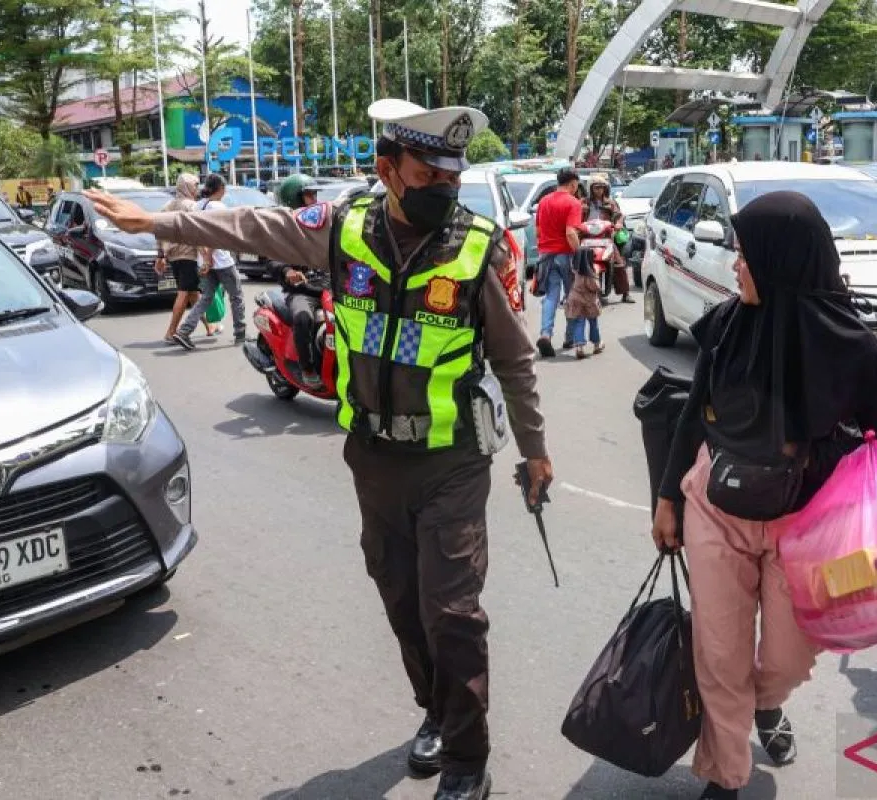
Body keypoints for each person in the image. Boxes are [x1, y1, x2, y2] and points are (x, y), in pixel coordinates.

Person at [84, 98, 552, 800]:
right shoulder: (343, 227)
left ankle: (466, 759)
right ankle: (435, 710)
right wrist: (156, 221)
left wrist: (535, 451)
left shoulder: (477, 246)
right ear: (387, 171)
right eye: (429, 175)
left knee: (452, 612)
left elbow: (515, 359)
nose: (444, 189)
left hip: (451, 459)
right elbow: (250, 226)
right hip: (373, 458)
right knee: (400, 598)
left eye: (452, 177)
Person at [652, 192, 877, 799]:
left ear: (782, 262)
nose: (737, 265)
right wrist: (667, 499)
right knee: (720, 654)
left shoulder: (854, 347)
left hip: (809, 526)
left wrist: (873, 492)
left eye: (747, 255)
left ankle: (764, 703)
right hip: (717, 506)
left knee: (788, 659)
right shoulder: (725, 326)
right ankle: (725, 773)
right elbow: (692, 415)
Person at [166, 174, 248, 350]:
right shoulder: (218, 206)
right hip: (222, 262)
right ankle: (240, 334)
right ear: (221, 189)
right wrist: (209, 257)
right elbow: (216, 235)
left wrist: (204, 257)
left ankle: (184, 331)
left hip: (202, 261)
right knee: (236, 296)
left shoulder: (197, 206)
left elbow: (194, 236)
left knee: (206, 298)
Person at [270, 173, 328, 389]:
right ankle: (308, 368)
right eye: (309, 195)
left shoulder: (324, 224)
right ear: (295, 198)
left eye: (315, 195)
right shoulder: (284, 229)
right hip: (302, 290)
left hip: (329, 287)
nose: (314, 200)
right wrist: (287, 271)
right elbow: (272, 259)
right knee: (303, 317)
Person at [156, 172, 218, 343]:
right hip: (189, 255)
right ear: (187, 187)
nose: (197, 189)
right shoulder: (192, 207)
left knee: (193, 293)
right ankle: (171, 332)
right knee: (184, 293)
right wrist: (206, 257)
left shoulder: (168, 206)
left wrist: (160, 255)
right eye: (195, 185)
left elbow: (159, 231)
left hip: (174, 256)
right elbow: (197, 234)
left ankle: (209, 326)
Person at [533, 168, 583, 357]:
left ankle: (545, 334)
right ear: (573, 184)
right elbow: (570, 233)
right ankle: (570, 338)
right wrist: (579, 253)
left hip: (546, 256)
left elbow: (538, 232)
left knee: (551, 296)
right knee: (572, 296)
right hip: (566, 255)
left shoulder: (544, 201)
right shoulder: (573, 203)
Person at [583, 173, 633, 304]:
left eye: (602, 187)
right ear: (590, 188)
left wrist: (618, 223)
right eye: (596, 187)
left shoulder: (610, 203)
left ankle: (626, 293)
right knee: (577, 262)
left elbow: (619, 215)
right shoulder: (583, 203)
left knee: (618, 263)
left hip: (605, 237)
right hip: (587, 237)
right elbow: (576, 216)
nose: (599, 190)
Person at [564, 246, 602, 359]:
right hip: (589, 301)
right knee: (593, 323)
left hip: (575, 300)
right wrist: (597, 276)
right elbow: (595, 287)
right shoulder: (590, 273)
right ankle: (597, 344)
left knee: (579, 323)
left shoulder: (574, 271)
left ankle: (579, 347)